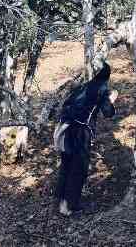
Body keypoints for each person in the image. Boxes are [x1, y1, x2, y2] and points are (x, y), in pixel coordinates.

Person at [54, 63, 118, 216]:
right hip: (81, 133)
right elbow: (108, 113)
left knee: (66, 165)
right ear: (107, 77)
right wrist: (112, 99)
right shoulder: (102, 89)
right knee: (78, 169)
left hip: (65, 129)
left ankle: (61, 200)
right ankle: (69, 207)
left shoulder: (82, 87)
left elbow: (67, 105)